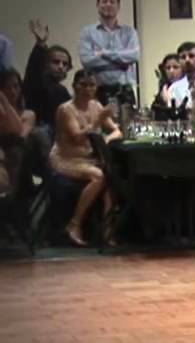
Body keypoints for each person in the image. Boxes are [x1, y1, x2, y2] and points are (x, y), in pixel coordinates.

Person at [50, 69, 121, 246]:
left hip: (88, 158)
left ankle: (107, 230)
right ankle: (74, 225)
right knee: (98, 176)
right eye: (83, 85)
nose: (87, 89)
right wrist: (98, 121)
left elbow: (117, 131)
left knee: (111, 177)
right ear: (74, 86)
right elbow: (78, 137)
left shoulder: (95, 105)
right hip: (66, 159)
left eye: (92, 85)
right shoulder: (66, 109)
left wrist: (106, 139)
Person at [78, 0, 140, 106]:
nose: (108, 4)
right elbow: (87, 60)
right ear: (97, 5)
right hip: (97, 90)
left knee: (127, 124)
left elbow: (134, 56)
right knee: (97, 124)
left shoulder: (129, 32)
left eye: (112, 2)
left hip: (124, 90)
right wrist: (122, 62)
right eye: (104, 1)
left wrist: (105, 53)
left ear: (118, 6)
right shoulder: (87, 32)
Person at [21, 20, 73, 126]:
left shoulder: (62, 91)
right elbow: (33, 72)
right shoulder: (38, 82)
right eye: (56, 62)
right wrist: (40, 44)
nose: (61, 67)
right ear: (45, 63)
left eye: (65, 64)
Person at [0, 70, 35, 195]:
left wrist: (4, 101)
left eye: (16, 86)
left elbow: (19, 133)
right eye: (7, 87)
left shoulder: (28, 114)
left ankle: (12, 195)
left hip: (19, 152)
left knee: (16, 149)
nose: (13, 91)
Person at [168, 41, 195, 108]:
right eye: (183, 57)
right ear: (179, 61)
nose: (187, 60)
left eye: (191, 56)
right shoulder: (174, 89)